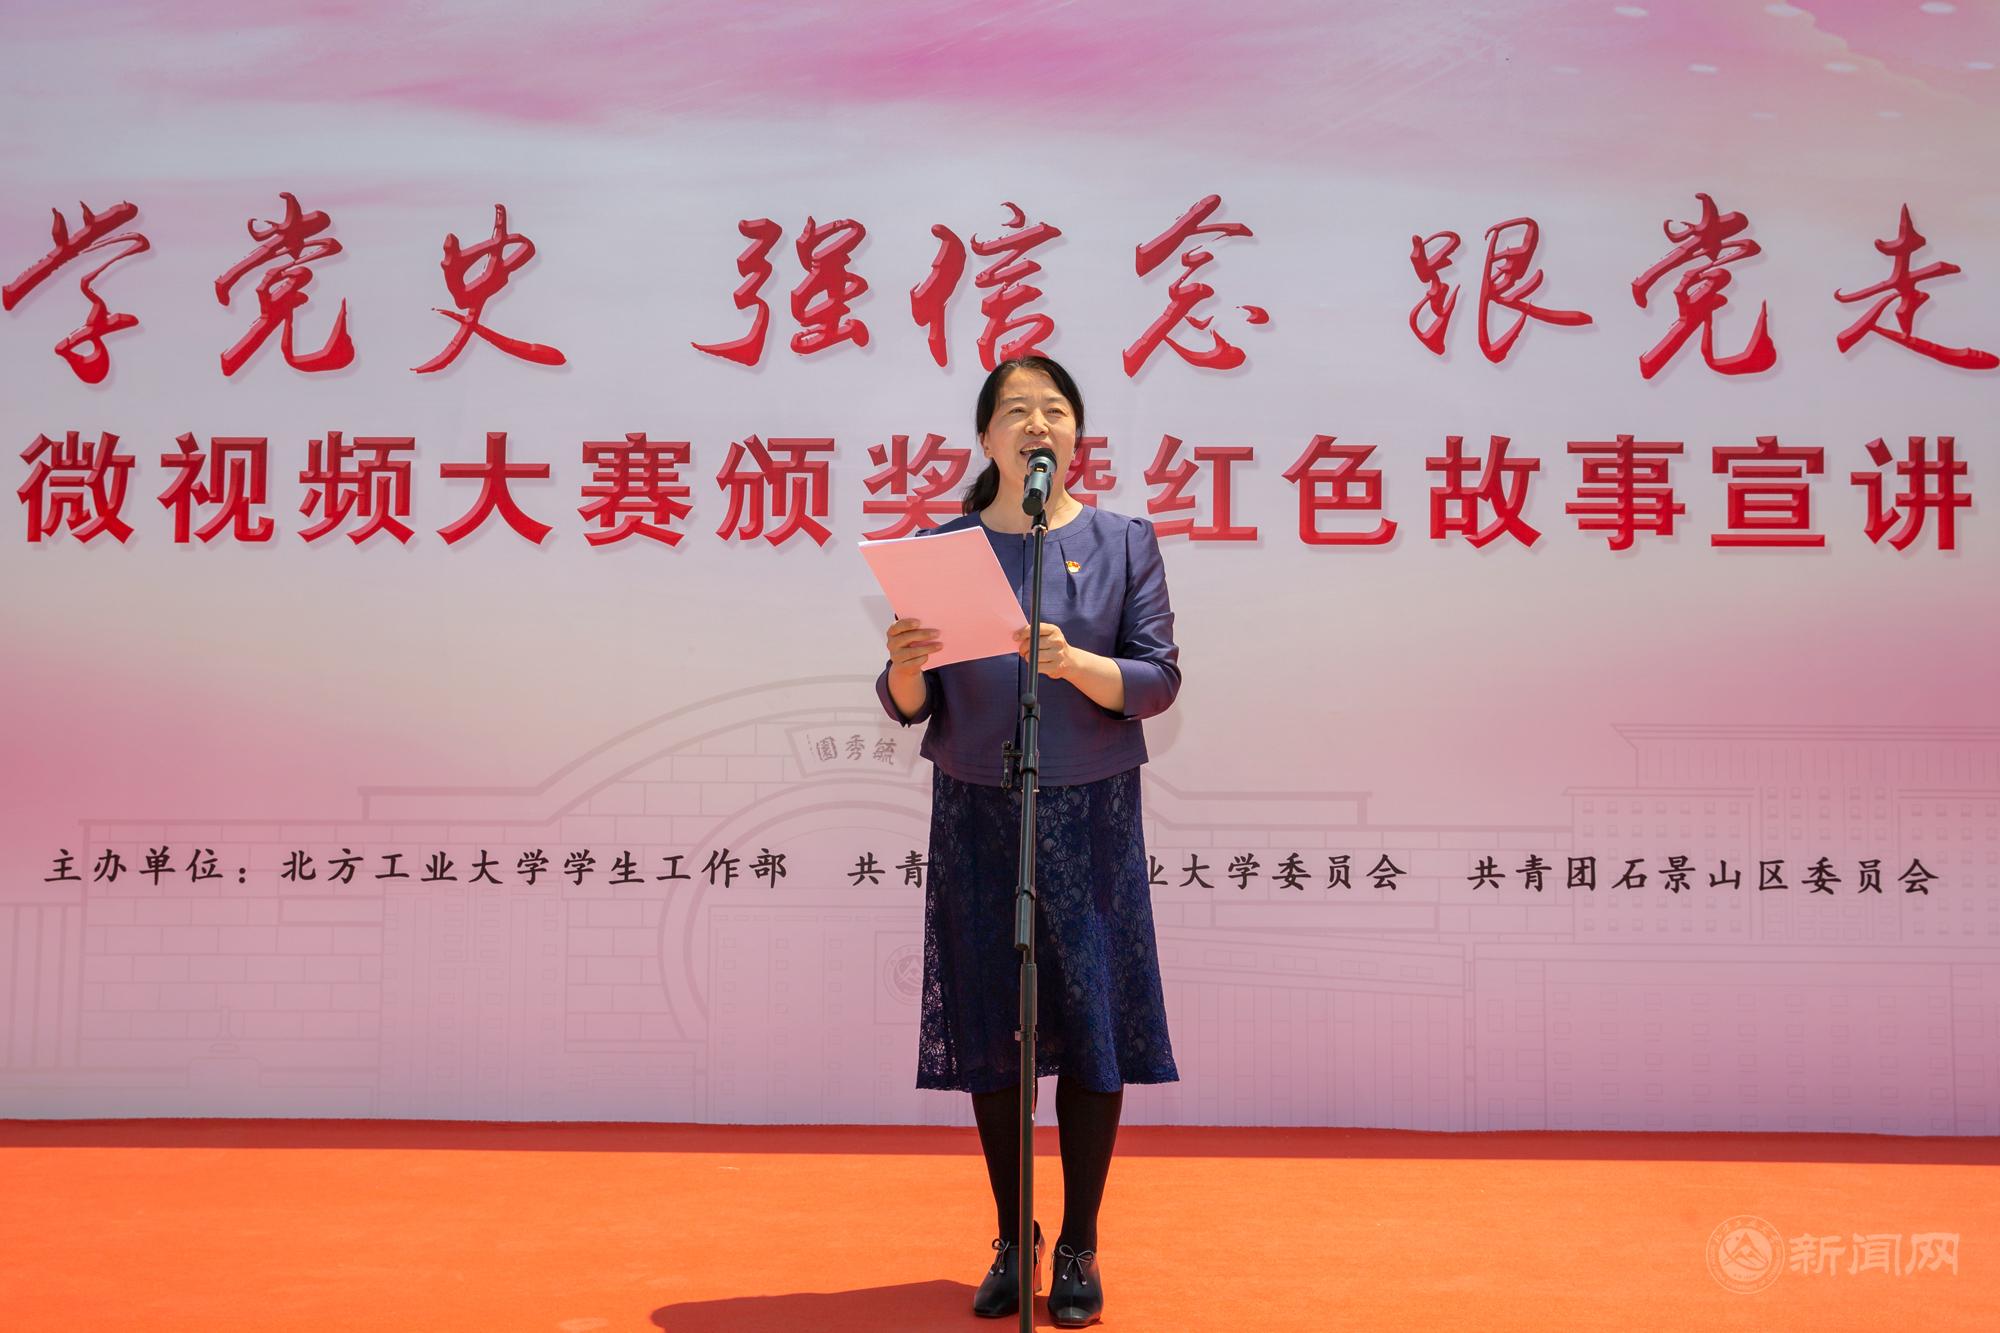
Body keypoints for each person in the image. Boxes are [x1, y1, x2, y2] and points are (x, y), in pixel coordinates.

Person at [874, 355, 1180, 1326]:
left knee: (1091, 1024)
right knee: (993, 1027)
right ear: (986, 439)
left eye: (1053, 409)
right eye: (1015, 411)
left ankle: (1079, 1243)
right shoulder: (943, 550)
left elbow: (1158, 677)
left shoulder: (1122, 542)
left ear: (1076, 435)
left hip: (1089, 815)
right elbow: (906, 702)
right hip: (978, 809)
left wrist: (1074, 662)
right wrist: (905, 664)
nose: (1036, 424)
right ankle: (1016, 1235)